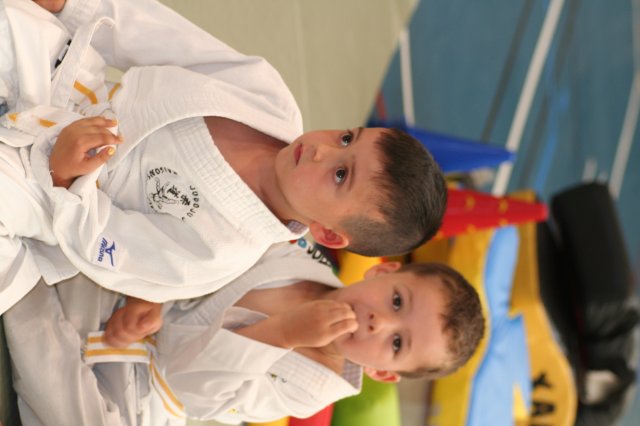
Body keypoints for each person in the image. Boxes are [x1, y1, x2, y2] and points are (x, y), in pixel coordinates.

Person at [0, 0, 447, 313]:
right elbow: (164, 38)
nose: (322, 149)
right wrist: (73, 7)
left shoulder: (218, 253)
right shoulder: (268, 101)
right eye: (348, 138)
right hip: (71, 86)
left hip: (46, 191)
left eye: (340, 175)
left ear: (327, 233)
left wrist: (64, 176)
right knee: (15, 19)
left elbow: (106, 248)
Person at [3, 236, 485, 425]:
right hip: (130, 300)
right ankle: (24, 265)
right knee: (92, 250)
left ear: (383, 373)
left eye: (396, 343)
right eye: (397, 301)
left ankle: (22, 290)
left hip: (147, 389)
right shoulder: (297, 255)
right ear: (382, 271)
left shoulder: (307, 392)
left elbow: (189, 388)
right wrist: (155, 296)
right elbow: (200, 252)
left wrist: (284, 333)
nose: (381, 322)